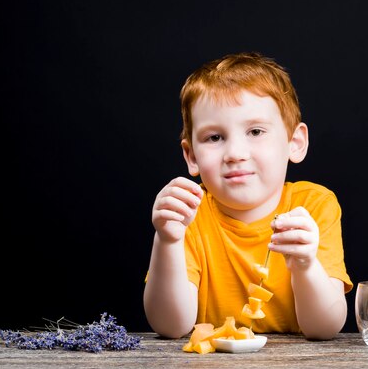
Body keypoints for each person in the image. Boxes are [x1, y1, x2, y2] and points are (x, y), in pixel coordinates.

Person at [143, 51, 352, 340]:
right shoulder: (189, 213)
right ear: (191, 156)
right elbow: (170, 326)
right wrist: (167, 239)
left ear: (295, 143)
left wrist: (306, 266)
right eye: (214, 138)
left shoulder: (313, 206)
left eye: (255, 131)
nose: (235, 154)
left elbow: (324, 328)